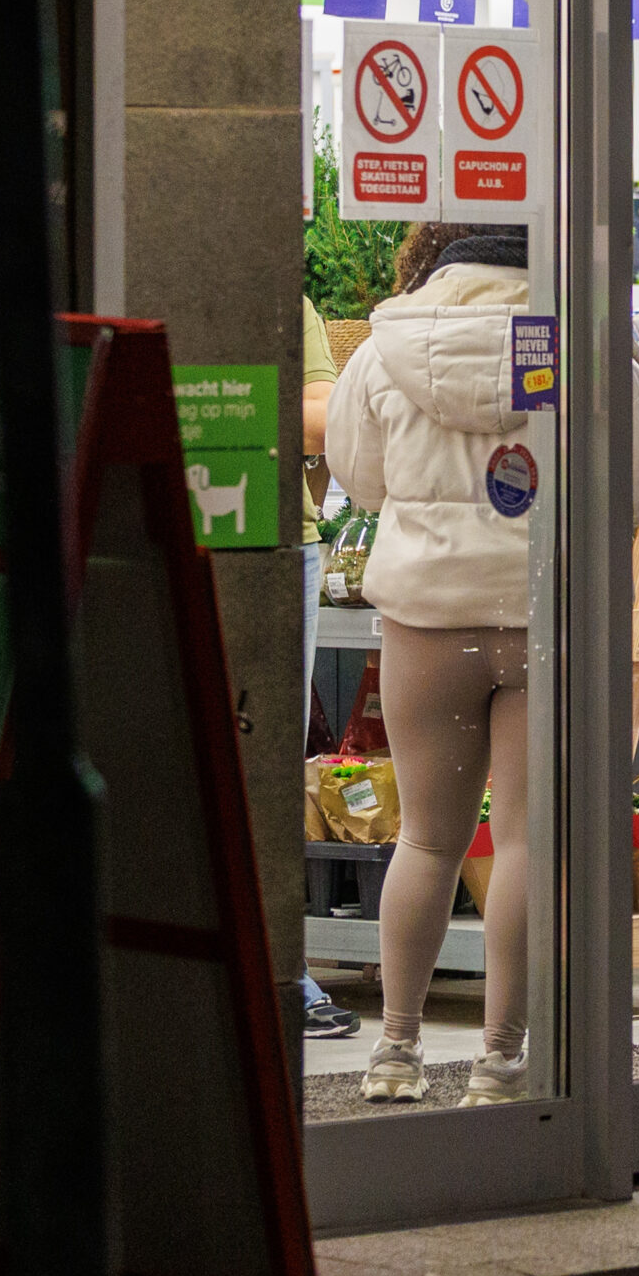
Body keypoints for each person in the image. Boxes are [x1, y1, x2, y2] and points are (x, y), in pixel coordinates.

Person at [328, 225, 639, 1103]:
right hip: (545, 613)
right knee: (524, 840)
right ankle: (497, 1059)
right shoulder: (584, 343)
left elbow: (358, 477)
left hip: (426, 617)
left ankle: (396, 1051)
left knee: (426, 837)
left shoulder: (386, 345)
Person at [300, 295, 360, 1039]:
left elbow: (321, 420)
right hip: (136, 525)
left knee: (270, 768)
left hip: (279, 536)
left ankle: (285, 968)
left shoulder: (288, 303)